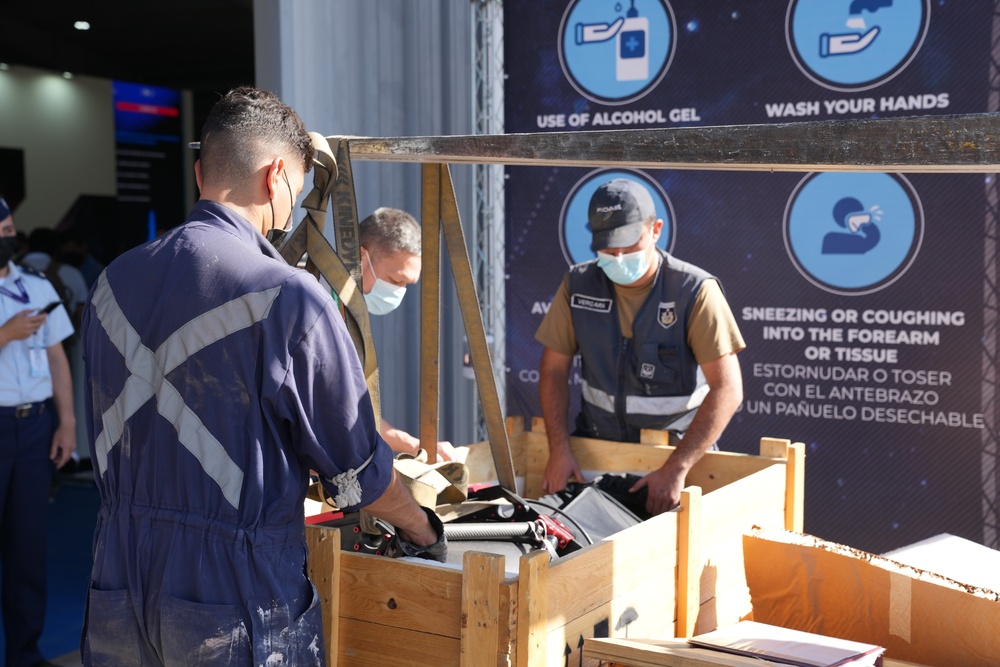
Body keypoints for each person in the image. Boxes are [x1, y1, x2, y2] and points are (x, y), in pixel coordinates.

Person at [80, 86, 445, 666]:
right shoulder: (291, 297)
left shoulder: (109, 286)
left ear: (201, 172)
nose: (291, 211)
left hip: (115, 582)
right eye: (296, 193)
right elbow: (357, 478)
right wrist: (422, 527)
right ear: (276, 176)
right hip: (231, 594)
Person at [535, 178, 745, 516]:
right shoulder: (578, 284)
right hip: (594, 459)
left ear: (656, 230)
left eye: (629, 245)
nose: (618, 257)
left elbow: (729, 389)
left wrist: (677, 469)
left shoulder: (694, 291)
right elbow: (552, 370)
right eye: (608, 248)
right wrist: (559, 449)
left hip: (670, 467)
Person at [0, 195, 77, 667]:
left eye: (9, 230)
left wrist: (66, 421)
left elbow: (56, 357)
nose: (6, 238)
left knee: (27, 550)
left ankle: (24, 654)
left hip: (32, 427)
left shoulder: (35, 284)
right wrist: (4, 334)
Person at [357, 207, 459, 462]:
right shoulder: (316, 303)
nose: (399, 292)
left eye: (406, 285)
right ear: (360, 257)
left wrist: (413, 445)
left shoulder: (351, 307)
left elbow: (352, 407)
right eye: (395, 280)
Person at [21, 227, 89, 330]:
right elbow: (82, 315)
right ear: (57, 249)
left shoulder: (7, 271)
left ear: (27, 246)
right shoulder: (72, 273)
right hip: (59, 338)